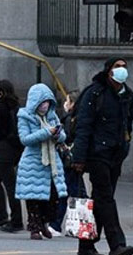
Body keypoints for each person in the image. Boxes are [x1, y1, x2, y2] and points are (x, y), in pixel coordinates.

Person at [71, 57, 133, 255]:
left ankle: (86, 246)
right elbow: (83, 126)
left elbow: (127, 125)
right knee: (105, 198)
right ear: (109, 70)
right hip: (97, 153)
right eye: (117, 66)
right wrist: (79, 158)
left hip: (115, 154)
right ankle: (116, 244)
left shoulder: (127, 95)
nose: (122, 70)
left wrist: (125, 147)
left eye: (124, 66)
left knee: (100, 201)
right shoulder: (95, 93)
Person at [15, 83, 68, 240]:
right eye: (42, 102)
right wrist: (46, 132)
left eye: (47, 102)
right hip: (33, 162)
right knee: (33, 198)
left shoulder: (52, 116)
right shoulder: (25, 117)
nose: (45, 105)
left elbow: (63, 136)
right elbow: (25, 139)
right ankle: (34, 228)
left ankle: (44, 223)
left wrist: (57, 134)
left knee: (52, 197)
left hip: (52, 163)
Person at [0, 79, 25, 233]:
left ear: (1, 92)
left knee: (10, 186)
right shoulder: (16, 106)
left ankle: (16, 220)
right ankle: (1, 215)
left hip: (4, 150)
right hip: (15, 149)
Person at [49, 89, 86, 237]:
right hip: (73, 161)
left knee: (66, 192)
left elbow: (67, 138)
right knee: (77, 192)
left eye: (68, 101)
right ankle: (80, 224)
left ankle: (57, 224)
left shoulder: (72, 120)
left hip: (69, 161)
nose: (65, 104)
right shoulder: (79, 118)